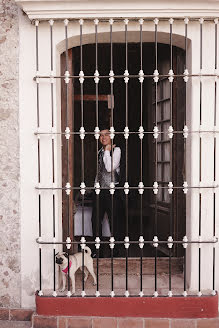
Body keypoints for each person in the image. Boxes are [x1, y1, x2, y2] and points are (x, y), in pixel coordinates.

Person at [91, 127, 124, 257]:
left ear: (112, 136)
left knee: (113, 221)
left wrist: (107, 152)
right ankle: (96, 251)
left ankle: (115, 251)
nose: (103, 137)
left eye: (106, 135)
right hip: (99, 190)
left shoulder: (117, 150)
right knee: (95, 220)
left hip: (111, 191)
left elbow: (110, 168)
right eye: (101, 135)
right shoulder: (100, 151)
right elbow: (99, 171)